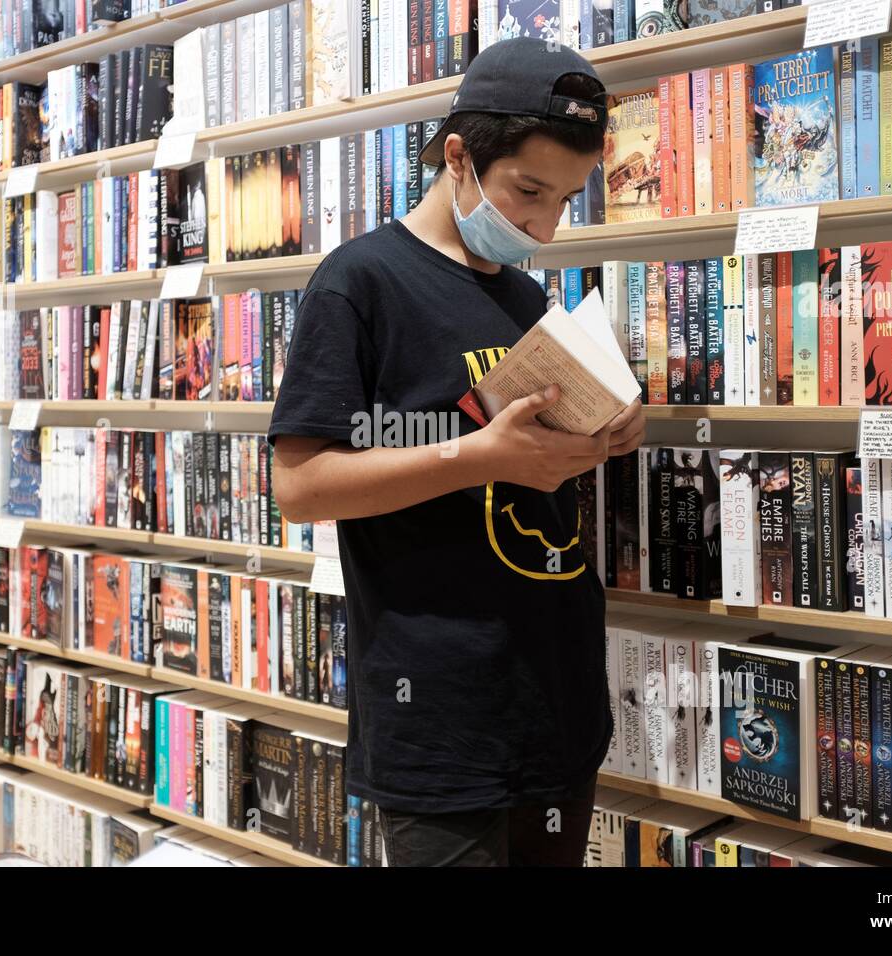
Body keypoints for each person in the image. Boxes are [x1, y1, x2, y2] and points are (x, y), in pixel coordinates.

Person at [269, 37, 647, 867]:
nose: (544, 225)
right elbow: (297, 486)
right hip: (439, 716)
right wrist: (479, 457)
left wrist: (608, 430)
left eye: (566, 200)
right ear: (458, 157)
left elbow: (535, 460)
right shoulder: (360, 283)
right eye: (527, 191)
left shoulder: (522, 295)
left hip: (557, 696)